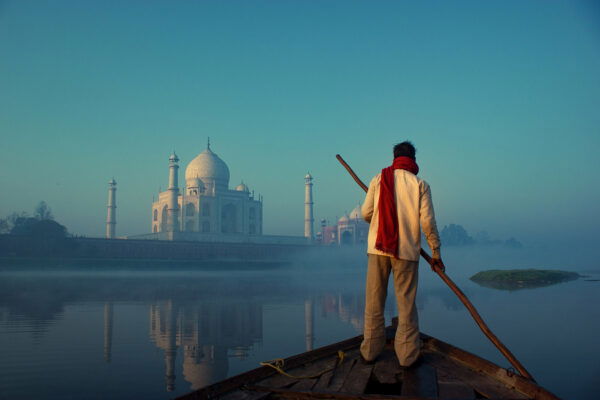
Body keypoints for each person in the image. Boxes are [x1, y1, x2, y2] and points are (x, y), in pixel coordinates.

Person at [360, 141, 444, 367]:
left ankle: (369, 352)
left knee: (374, 302)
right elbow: (427, 222)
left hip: (378, 249)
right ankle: (407, 357)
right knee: (406, 305)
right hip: (406, 252)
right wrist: (435, 251)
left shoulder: (379, 179)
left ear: (394, 158)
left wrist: (380, 218)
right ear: (413, 160)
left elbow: (365, 213)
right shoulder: (420, 184)